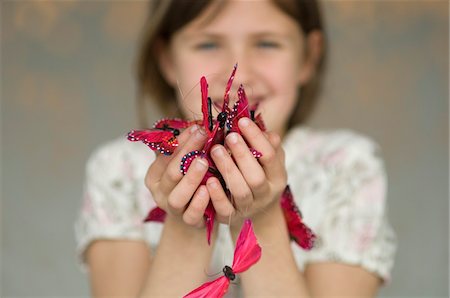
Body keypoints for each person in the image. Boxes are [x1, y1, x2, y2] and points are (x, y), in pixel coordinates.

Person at [75, 0, 397, 296]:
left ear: (309, 57)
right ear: (167, 59)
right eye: (208, 43)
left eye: (268, 43)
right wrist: (187, 224)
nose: (240, 72)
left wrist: (263, 217)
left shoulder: (347, 166)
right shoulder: (119, 170)